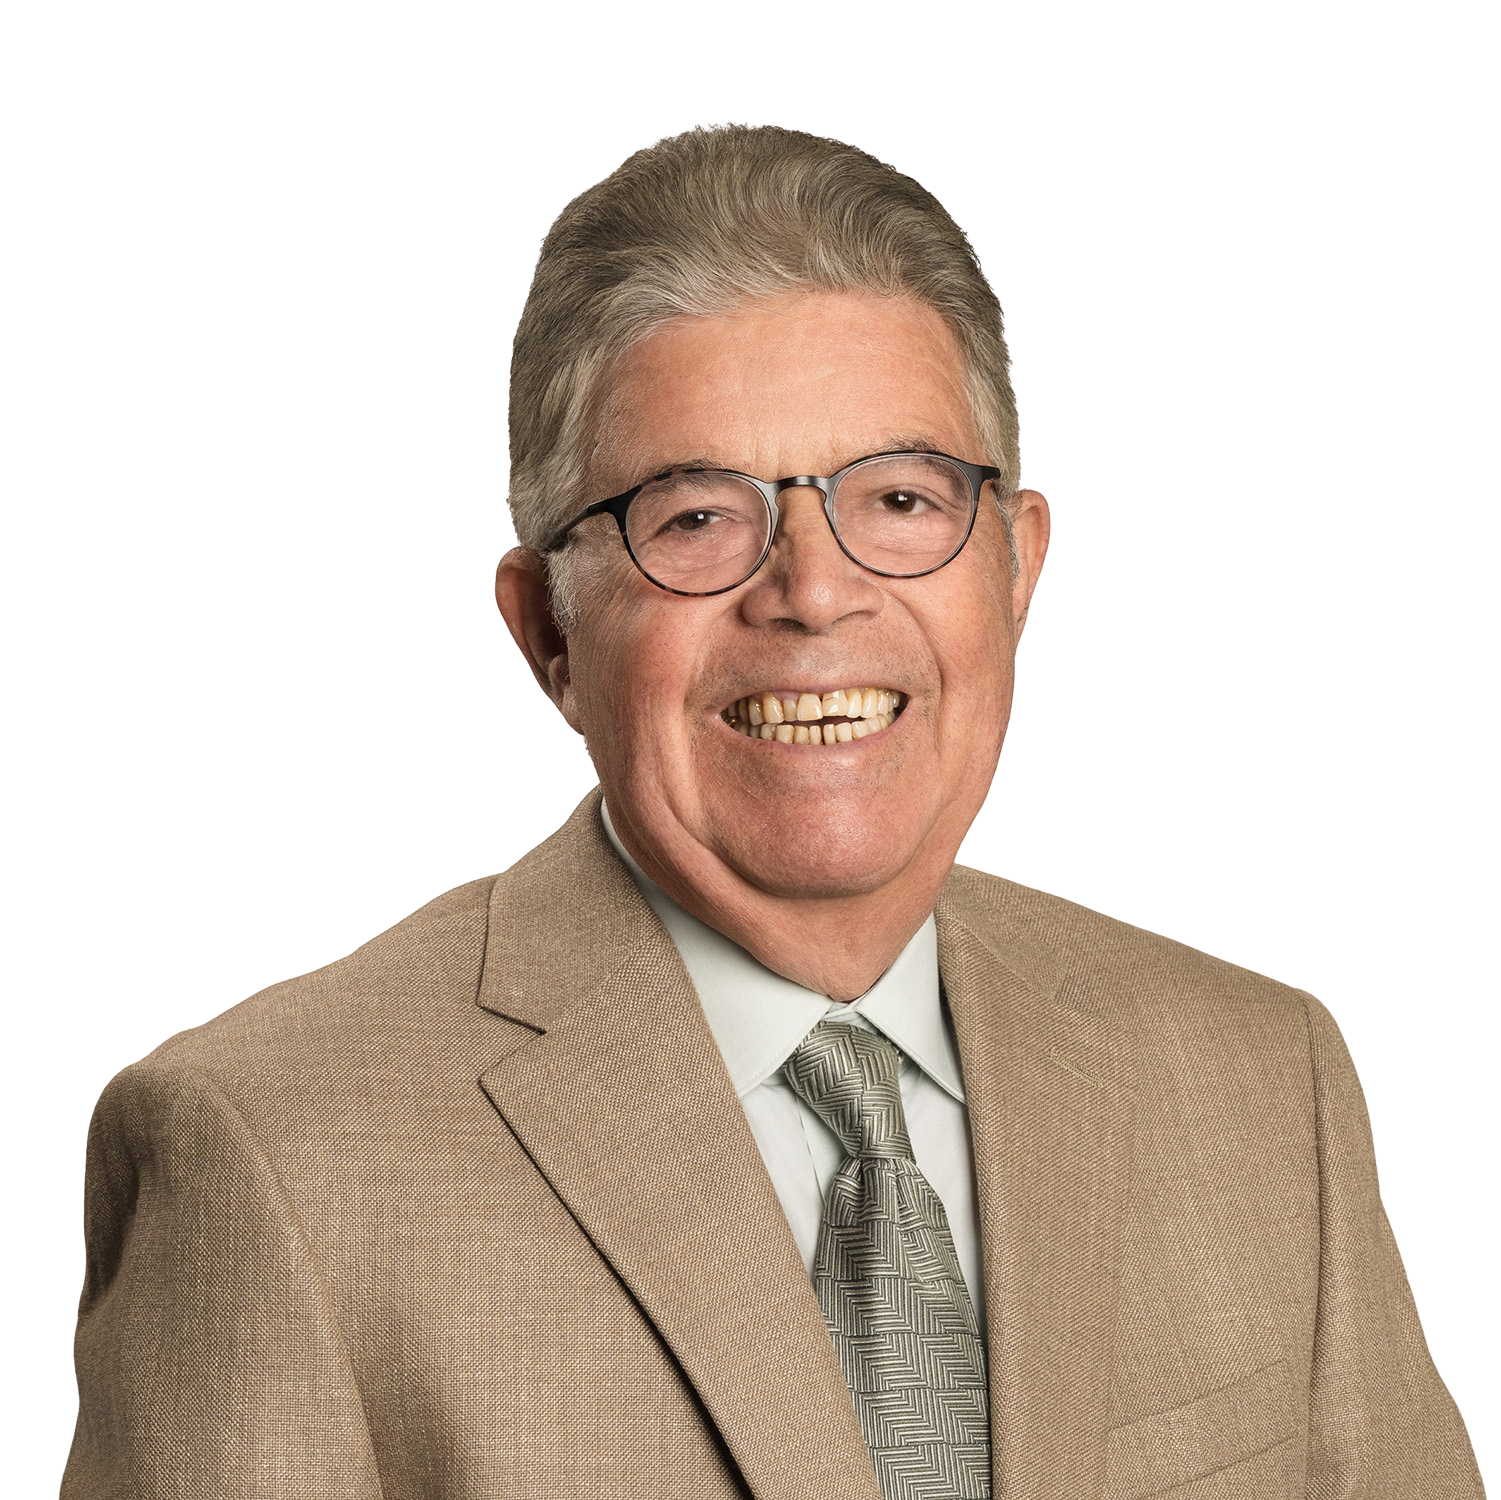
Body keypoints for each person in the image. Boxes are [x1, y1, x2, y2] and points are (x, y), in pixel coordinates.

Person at [64, 123, 1483, 1500]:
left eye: (903, 499)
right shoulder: (267, 1155)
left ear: (1018, 571)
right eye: (697, 518)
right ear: (547, 634)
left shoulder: (1261, 1081)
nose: (814, 591)